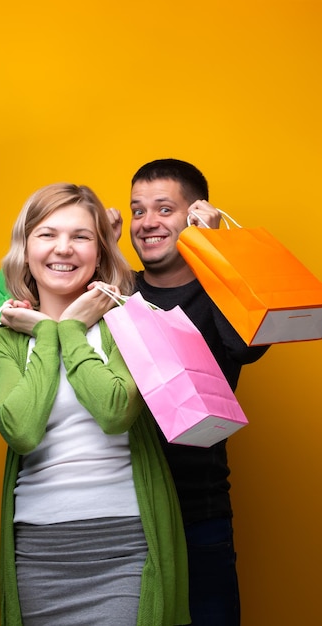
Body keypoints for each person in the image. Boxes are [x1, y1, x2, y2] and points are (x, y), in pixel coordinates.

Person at [0, 182, 190, 626]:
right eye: (47, 234)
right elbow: (20, 431)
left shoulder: (131, 323)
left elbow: (116, 412)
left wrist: (72, 330)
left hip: (126, 546)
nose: (64, 248)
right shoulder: (5, 338)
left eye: (80, 236)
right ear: (26, 250)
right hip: (38, 553)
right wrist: (47, 332)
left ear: (100, 252)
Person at [108, 159, 269, 626]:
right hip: (121, 515)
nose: (147, 222)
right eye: (138, 211)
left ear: (195, 214)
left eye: (164, 208)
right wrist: (103, 249)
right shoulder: (118, 292)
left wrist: (213, 249)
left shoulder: (224, 290)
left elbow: (244, 347)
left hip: (197, 512)